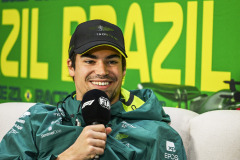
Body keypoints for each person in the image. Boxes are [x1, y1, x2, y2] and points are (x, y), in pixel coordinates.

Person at [0, 20, 186, 160]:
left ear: (123, 69)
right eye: (90, 61)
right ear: (71, 66)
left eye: (112, 62)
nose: (102, 71)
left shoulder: (157, 133)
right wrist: (68, 157)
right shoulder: (37, 121)